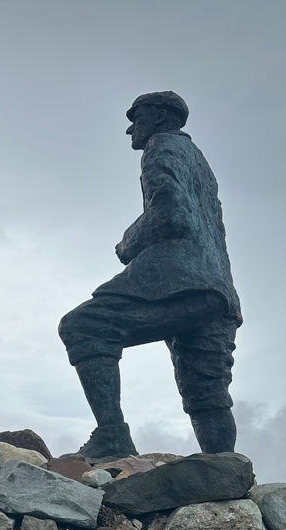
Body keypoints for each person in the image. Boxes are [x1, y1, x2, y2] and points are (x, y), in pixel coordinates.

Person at [58, 91, 242, 460]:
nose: (130, 128)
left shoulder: (161, 146)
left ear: (159, 117)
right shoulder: (200, 161)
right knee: (207, 392)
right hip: (217, 291)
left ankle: (113, 436)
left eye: (135, 117)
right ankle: (226, 469)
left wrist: (129, 242)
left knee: (83, 326)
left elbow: (171, 213)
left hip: (179, 278)